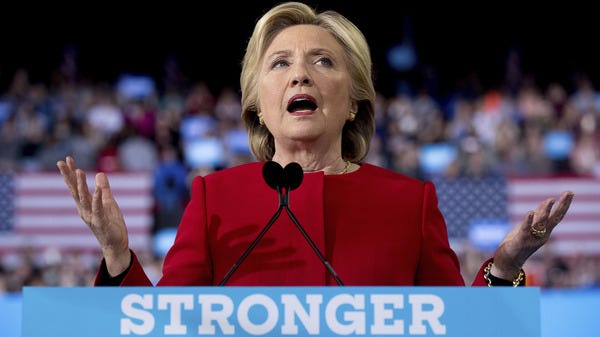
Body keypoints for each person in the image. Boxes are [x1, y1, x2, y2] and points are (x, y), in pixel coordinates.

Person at [57, 1, 574, 287]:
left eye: (323, 61)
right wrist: (118, 255)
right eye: (279, 63)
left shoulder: (409, 202)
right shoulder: (215, 198)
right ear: (257, 102)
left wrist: (504, 268)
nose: (300, 73)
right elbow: (163, 327)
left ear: (353, 101)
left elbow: (455, 329)